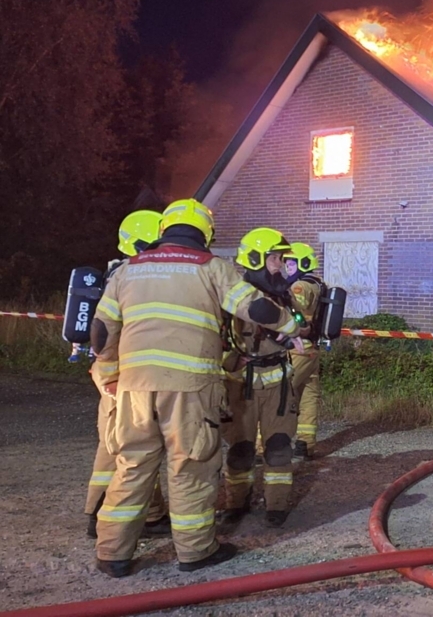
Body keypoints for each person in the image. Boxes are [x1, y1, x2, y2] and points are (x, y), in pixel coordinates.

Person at [90, 200, 303, 578]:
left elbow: (102, 331)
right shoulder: (211, 268)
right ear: (206, 233)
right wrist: (289, 326)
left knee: (132, 464)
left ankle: (113, 554)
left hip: (134, 388)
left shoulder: (128, 271)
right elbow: (256, 310)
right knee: (190, 464)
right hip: (189, 388)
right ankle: (195, 551)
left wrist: (109, 375)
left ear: (164, 231)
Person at [85, 210, 170, 540]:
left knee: (134, 448)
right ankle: (99, 515)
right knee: (120, 451)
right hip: (121, 379)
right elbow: (107, 338)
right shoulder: (127, 278)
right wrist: (112, 382)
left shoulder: (126, 276)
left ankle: (152, 515)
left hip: (125, 377)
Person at [220, 228, 304, 528]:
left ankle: (276, 506)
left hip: (279, 382)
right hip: (241, 385)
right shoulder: (233, 298)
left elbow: (300, 325)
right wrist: (229, 362)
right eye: (275, 258)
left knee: (279, 446)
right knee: (240, 449)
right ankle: (236, 503)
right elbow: (214, 340)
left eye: (281, 258)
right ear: (255, 258)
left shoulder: (283, 293)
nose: (280, 264)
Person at [283, 243, 324, 460]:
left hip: (299, 348)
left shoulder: (300, 286)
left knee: (280, 394)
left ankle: (262, 447)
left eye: (291, 263)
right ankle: (305, 444)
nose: (288, 267)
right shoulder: (318, 284)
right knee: (309, 395)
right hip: (313, 349)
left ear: (303, 263)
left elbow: (293, 313)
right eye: (287, 263)